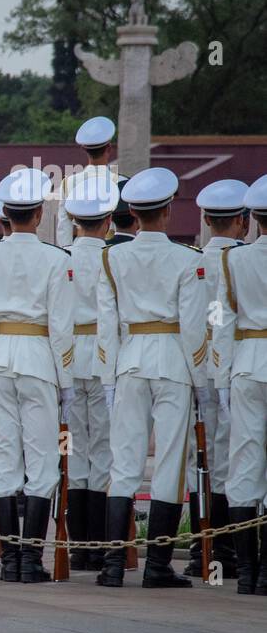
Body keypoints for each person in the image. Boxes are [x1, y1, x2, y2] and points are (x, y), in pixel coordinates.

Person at [96, 167, 209, 588]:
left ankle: (112, 566)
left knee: (123, 461)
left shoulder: (112, 257)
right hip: (172, 360)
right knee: (168, 464)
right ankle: (157, 566)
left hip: (129, 360)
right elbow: (195, 327)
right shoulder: (187, 259)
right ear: (167, 211)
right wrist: (201, 379)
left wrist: (109, 377)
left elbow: (108, 326)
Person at [0, 169, 74, 584]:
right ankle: (29, 559)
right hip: (37, 360)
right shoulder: (57, 259)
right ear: (37, 214)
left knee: (3, 457)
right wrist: (65, 381)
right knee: (43, 461)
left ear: (8, 214)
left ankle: (11, 561)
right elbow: (61, 327)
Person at [187, 179, 250, 579]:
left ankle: (202, 547)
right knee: (236, 456)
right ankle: (227, 550)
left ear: (207, 220)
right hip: (239, 367)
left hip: (201, 367)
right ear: (242, 223)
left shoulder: (191, 260)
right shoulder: (243, 260)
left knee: (202, 458)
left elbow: (198, 321)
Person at [61, 167, 118, 571]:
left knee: (75, 449)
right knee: (103, 449)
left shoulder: (61, 258)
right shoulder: (112, 258)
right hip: (102, 355)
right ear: (109, 220)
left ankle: (78, 547)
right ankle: (96, 545)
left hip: (69, 358)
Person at [212, 175, 265, 594]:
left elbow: (219, 319)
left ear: (254, 219)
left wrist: (221, 375)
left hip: (246, 365)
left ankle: (247, 573)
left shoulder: (232, 260)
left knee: (245, 462)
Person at [57, 116, 117, 247]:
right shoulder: (118, 181)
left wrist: (67, 253)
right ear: (109, 148)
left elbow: (63, 226)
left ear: (84, 149)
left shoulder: (69, 183)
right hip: (111, 250)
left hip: (79, 248)